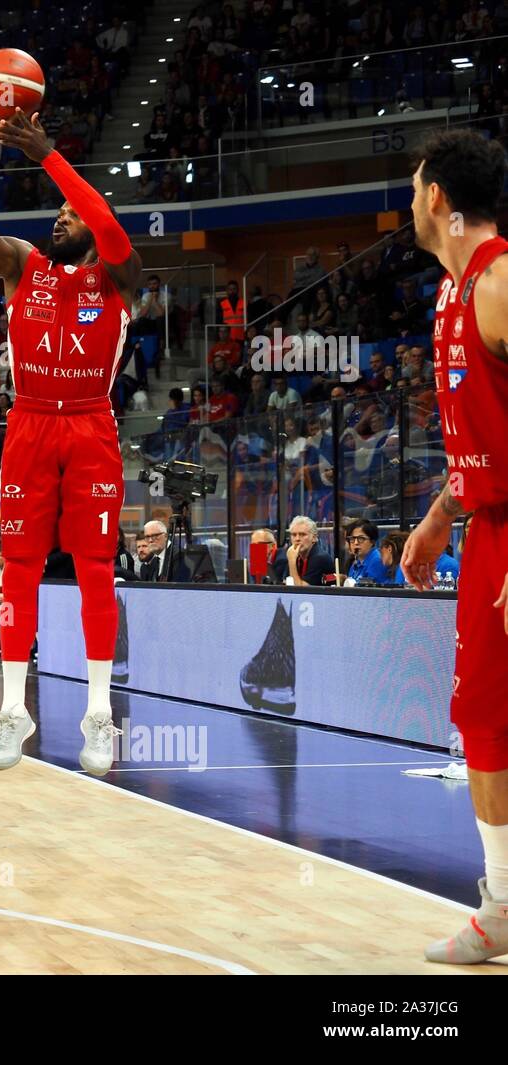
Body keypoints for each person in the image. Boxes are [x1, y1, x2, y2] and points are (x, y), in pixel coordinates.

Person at [0, 107, 140, 776]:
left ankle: (98, 713)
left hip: (90, 424)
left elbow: (109, 229)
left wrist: (50, 155)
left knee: (94, 571)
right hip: (28, 422)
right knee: (18, 568)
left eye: (71, 214)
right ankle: (14, 711)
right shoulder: (23, 263)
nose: (61, 218)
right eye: (57, 210)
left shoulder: (118, 275)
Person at [402, 131, 508, 964]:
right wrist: (442, 512)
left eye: (412, 190)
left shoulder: (501, 282)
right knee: (481, 721)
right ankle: (501, 908)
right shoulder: (450, 294)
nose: (408, 205)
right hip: (484, 529)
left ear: (439, 197)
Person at [268, 515, 334, 586]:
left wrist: (292, 561)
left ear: (314, 538)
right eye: (294, 535)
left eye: (302, 534)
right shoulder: (295, 555)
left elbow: (302, 592)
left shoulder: (320, 558)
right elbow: (286, 582)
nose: (297, 539)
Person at [342, 518, 389, 585]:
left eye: (361, 538)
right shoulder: (356, 563)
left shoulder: (377, 561)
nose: (356, 543)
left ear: (372, 541)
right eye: (352, 539)